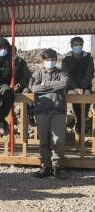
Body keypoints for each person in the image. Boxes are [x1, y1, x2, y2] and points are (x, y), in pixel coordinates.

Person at [30, 48, 70, 179]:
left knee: (58, 139)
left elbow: (64, 84)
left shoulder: (62, 73)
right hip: (41, 110)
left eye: (53, 60)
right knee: (44, 140)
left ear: (56, 60)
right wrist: (53, 85)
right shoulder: (37, 73)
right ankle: (46, 166)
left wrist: (45, 85)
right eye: (48, 60)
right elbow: (34, 88)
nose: (50, 62)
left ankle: (57, 166)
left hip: (58, 110)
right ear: (43, 60)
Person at [62, 37, 94, 134]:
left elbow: (90, 73)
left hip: (85, 85)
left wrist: (83, 87)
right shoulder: (66, 59)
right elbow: (66, 74)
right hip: (72, 86)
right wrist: (76, 87)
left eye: (80, 44)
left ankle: (83, 120)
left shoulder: (88, 58)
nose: (78, 46)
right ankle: (78, 121)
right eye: (76, 44)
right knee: (74, 97)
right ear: (71, 46)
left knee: (87, 97)